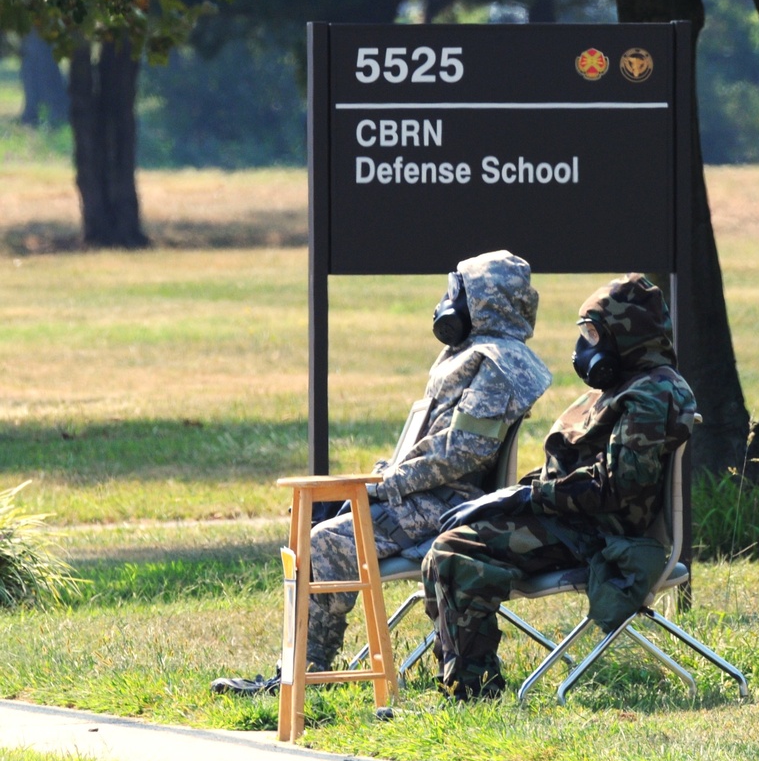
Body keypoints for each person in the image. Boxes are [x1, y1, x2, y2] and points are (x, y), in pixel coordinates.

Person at [211, 250, 551, 694]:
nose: (449, 303)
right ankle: (302, 670)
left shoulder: (498, 366)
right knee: (319, 521)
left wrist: (387, 486)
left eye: (460, 293)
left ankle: (306, 676)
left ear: (488, 301)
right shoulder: (474, 355)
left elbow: (461, 452)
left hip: (444, 502)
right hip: (426, 494)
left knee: (324, 543)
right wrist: (382, 479)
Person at [421, 273, 696, 701]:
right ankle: (458, 676)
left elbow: (617, 486)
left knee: (457, 552)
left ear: (626, 334)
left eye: (594, 332)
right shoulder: (622, 386)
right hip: (571, 520)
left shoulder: (652, 393)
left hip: (601, 534)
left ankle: (472, 691)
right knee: (448, 544)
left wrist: (528, 496)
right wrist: (507, 497)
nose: (586, 345)